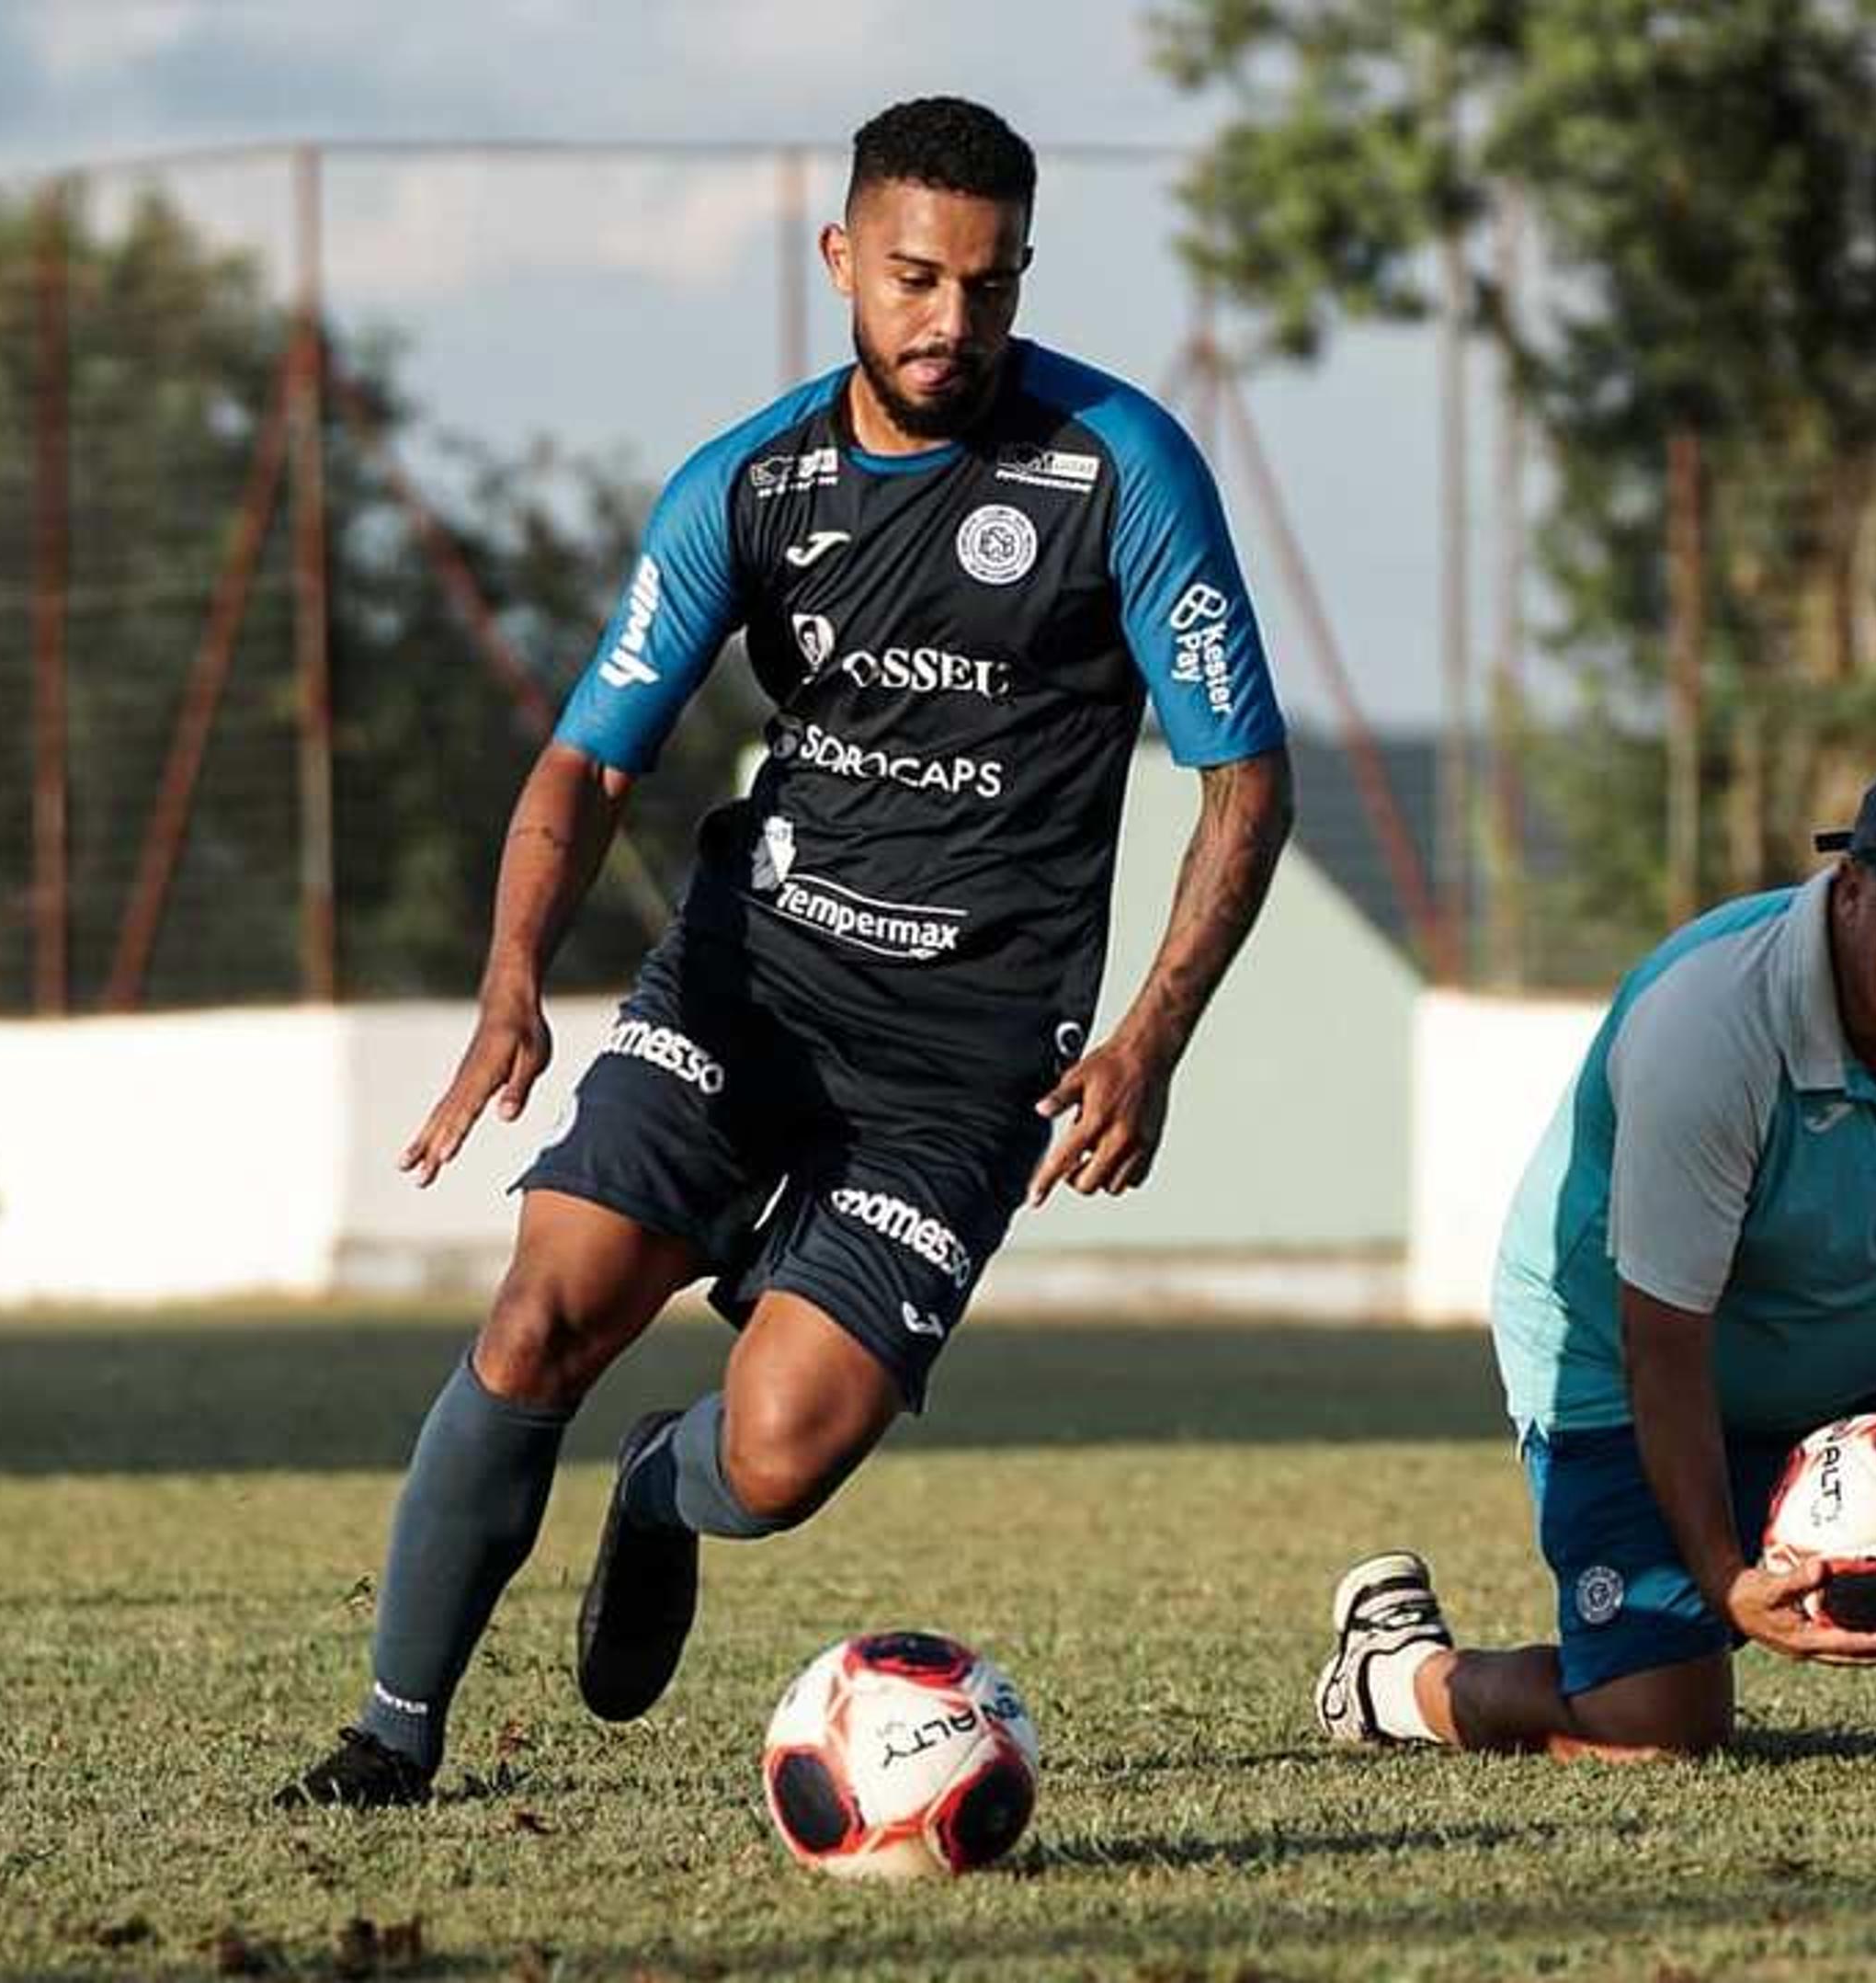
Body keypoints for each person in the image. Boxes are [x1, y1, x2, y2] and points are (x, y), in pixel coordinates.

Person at [278, 97, 1294, 1808]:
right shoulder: (748, 485)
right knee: (540, 1316)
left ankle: (660, 1482)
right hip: (752, 986)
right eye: (913, 277)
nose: (950, 322)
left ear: (1023, 275)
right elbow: (590, 759)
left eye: (988, 285)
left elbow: (1244, 778)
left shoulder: (1122, 470)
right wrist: (513, 979)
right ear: (841, 260)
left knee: (782, 1448)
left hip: (969, 1061)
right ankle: (391, 1736)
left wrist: (1150, 1036)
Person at [1313, 742, 1876, 1761]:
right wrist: (1723, 1579)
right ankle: (1395, 1674)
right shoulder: (1708, 1029)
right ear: (1851, 893)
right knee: (1653, 1729)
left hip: (1872, 1307)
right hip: (1628, 1360)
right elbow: (1663, 1341)